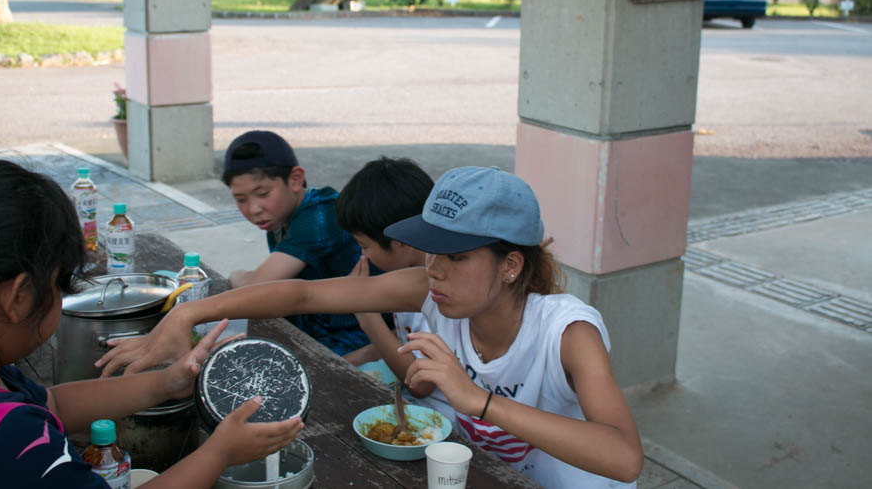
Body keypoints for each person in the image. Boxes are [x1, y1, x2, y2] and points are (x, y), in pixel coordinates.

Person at [99, 165, 643, 488]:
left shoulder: (568, 332)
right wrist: (191, 311)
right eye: (430, 251)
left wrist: (476, 400)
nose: (434, 270)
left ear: (510, 265)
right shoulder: (429, 291)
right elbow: (305, 292)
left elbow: (624, 456)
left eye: (456, 257)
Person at [0, 157, 303, 489]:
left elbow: (55, 403)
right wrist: (218, 453)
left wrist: (166, 382)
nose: (59, 300)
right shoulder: (12, 442)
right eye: (59, 284)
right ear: (18, 297)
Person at [220, 130, 370, 360]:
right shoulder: (281, 217)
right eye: (241, 199)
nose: (253, 209)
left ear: (296, 179)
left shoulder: (320, 217)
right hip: (314, 326)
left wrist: (238, 275)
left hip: (354, 337)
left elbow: (253, 286)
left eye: (263, 193)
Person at [335, 156, 438, 399]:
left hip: (440, 419)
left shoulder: (440, 292)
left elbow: (420, 384)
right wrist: (348, 361)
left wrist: (365, 312)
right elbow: (401, 339)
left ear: (402, 242)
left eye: (365, 246)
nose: (364, 255)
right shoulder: (409, 275)